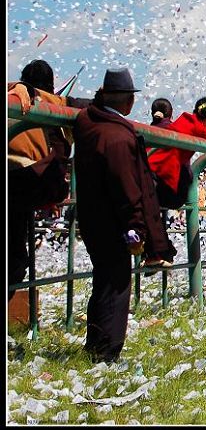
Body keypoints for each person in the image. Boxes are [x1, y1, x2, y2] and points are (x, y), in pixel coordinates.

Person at [73, 68, 176, 363]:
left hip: (93, 215)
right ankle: (106, 352)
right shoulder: (118, 137)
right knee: (117, 284)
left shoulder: (87, 121)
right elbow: (127, 187)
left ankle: (95, 345)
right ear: (129, 103)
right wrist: (136, 226)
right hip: (115, 220)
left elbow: (79, 107)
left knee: (103, 280)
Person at [7, 60, 91, 299]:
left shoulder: (13, 97)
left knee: (14, 254)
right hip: (34, 183)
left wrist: (19, 87)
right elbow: (99, 107)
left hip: (18, 184)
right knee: (14, 260)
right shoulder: (58, 103)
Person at [147, 97, 206, 211]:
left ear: (194, 111)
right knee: (177, 200)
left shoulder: (183, 119)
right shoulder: (199, 128)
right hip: (162, 175)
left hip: (149, 168)